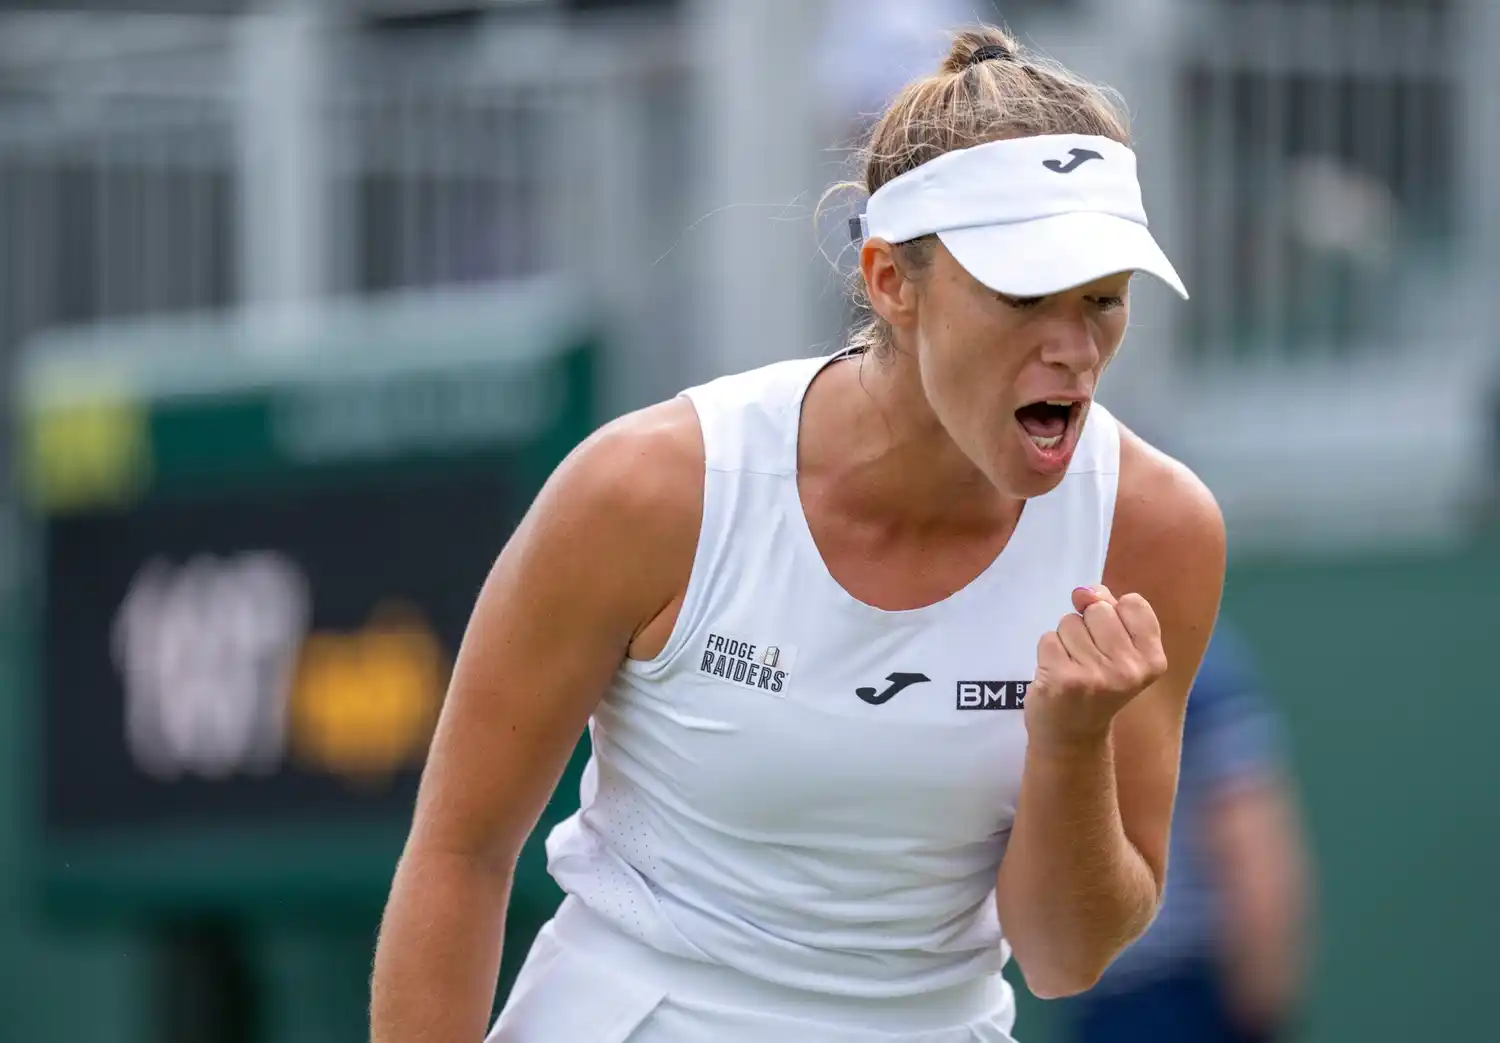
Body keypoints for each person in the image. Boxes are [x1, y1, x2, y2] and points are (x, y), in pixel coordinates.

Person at [370, 24, 1226, 1043]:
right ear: (891, 281)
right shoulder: (648, 490)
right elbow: (459, 852)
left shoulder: (1155, 527)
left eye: (1102, 301)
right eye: (1024, 295)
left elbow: (1062, 954)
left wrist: (1073, 740)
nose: (1074, 349)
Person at [1056, 625, 1314, 1043]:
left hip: (1176, 994)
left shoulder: (1198, 660)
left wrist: (1258, 1005)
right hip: (1113, 996)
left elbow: (1254, 852)